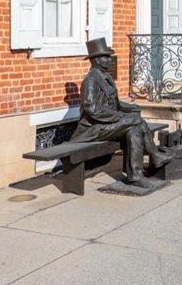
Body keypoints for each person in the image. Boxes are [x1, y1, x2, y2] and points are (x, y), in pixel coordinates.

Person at [72, 38, 173, 187]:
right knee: (134, 121)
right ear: (97, 60)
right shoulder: (90, 80)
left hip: (107, 124)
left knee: (135, 128)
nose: (109, 59)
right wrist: (121, 116)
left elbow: (116, 104)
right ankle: (155, 156)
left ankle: (136, 176)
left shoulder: (106, 77)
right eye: (106, 57)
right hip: (94, 128)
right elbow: (92, 109)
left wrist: (132, 107)